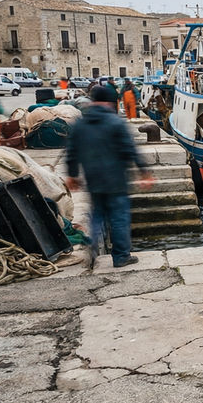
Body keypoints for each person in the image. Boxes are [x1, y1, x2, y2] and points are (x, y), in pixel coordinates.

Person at [65, 85, 154, 268]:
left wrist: (73, 175)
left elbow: (72, 153)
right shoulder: (116, 122)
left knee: (97, 215)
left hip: (93, 180)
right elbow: (130, 150)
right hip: (116, 180)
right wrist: (144, 172)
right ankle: (121, 256)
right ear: (108, 101)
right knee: (119, 218)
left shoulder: (80, 125)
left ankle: (92, 250)